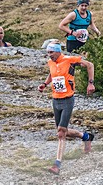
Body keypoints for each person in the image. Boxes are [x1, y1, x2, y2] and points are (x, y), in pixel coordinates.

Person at [38, 41, 96, 175]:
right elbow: (52, 74)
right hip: (55, 100)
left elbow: (90, 65)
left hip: (68, 100)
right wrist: (45, 84)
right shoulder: (51, 62)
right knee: (62, 131)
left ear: (58, 51)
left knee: (60, 133)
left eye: (51, 52)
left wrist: (90, 84)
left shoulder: (69, 60)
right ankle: (86, 136)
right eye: (48, 52)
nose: (49, 55)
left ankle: (57, 165)